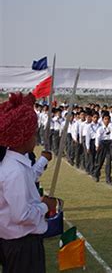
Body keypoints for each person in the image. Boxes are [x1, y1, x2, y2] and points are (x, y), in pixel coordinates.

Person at [0, 93, 56, 273]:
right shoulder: (14, 170)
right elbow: (22, 215)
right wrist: (44, 206)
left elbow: (28, 179)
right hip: (22, 245)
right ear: (22, 137)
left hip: (16, 243)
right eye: (33, 134)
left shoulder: (13, 163)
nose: (35, 138)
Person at [94, 112, 112, 184]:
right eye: (105, 119)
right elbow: (97, 137)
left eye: (108, 119)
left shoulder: (111, 128)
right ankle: (96, 175)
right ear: (103, 120)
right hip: (102, 144)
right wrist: (97, 145)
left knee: (108, 162)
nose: (107, 120)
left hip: (109, 144)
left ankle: (108, 178)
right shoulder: (100, 129)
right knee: (100, 161)